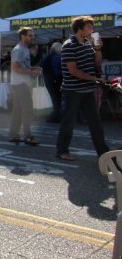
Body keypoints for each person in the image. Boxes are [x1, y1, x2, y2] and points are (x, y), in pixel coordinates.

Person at [56, 16, 110, 161]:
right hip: (72, 90)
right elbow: (73, 71)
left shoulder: (87, 43)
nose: (92, 30)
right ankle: (62, 150)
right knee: (69, 122)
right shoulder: (69, 45)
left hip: (88, 90)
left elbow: (97, 64)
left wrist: (98, 49)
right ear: (80, 28)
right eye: (89, 27)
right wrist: (94, 78)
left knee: (95, 122)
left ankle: (103, 152)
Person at [9, 27, 42, 145]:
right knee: (27, 110)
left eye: (32, 35)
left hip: (19, 84)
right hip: (20, 84)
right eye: (29, 35)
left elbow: (23, 66)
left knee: (17, 110)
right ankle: (27, 136)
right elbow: (15, 68)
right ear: (22, 36)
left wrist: (33, 68)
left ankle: (14, 135)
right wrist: (31, 72)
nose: (32, 37)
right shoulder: (18, 50)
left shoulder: (25, 49)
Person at [40, 42, 63, 123]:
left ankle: (54, 116)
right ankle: (56, 117)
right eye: (61, 49)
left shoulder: (47, 57)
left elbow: (41, 65)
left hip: (48, 81)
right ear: (58, 49)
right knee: (57, 100)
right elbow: (60, 69)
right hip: (56, 81)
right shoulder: (57, 58)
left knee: (53, 100)